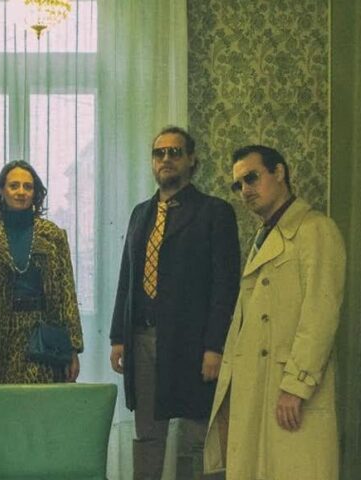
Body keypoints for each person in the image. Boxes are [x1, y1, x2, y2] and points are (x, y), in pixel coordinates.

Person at [204, 145, 346, 479]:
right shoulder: (266, 234)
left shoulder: (316, 230)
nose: (245, 190)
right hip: (259, 385)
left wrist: (297, 386)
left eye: (251, 178)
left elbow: (321, 315)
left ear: (279, 172)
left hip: (288, 388)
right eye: (238, 184)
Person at [109, 126, 241, 480]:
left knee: (197, 437)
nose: (166, 159)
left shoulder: (215, 212)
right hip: (142, 340)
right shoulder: (141, 213)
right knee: (147, 435)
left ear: (191, 160)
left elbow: (225, 287)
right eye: (159, 153)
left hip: (193, 344)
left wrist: (215, 346)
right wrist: (118, 337)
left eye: (175, 152)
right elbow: (127, 277)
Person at [0, 160, 83, 385]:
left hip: (42, 336)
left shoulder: (53, 235)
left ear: (35, 193)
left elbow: (68, 294)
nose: (21, 192)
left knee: (41, 404)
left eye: (28, 186)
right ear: (1, 190)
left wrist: (73, 349)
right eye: (14, 185)